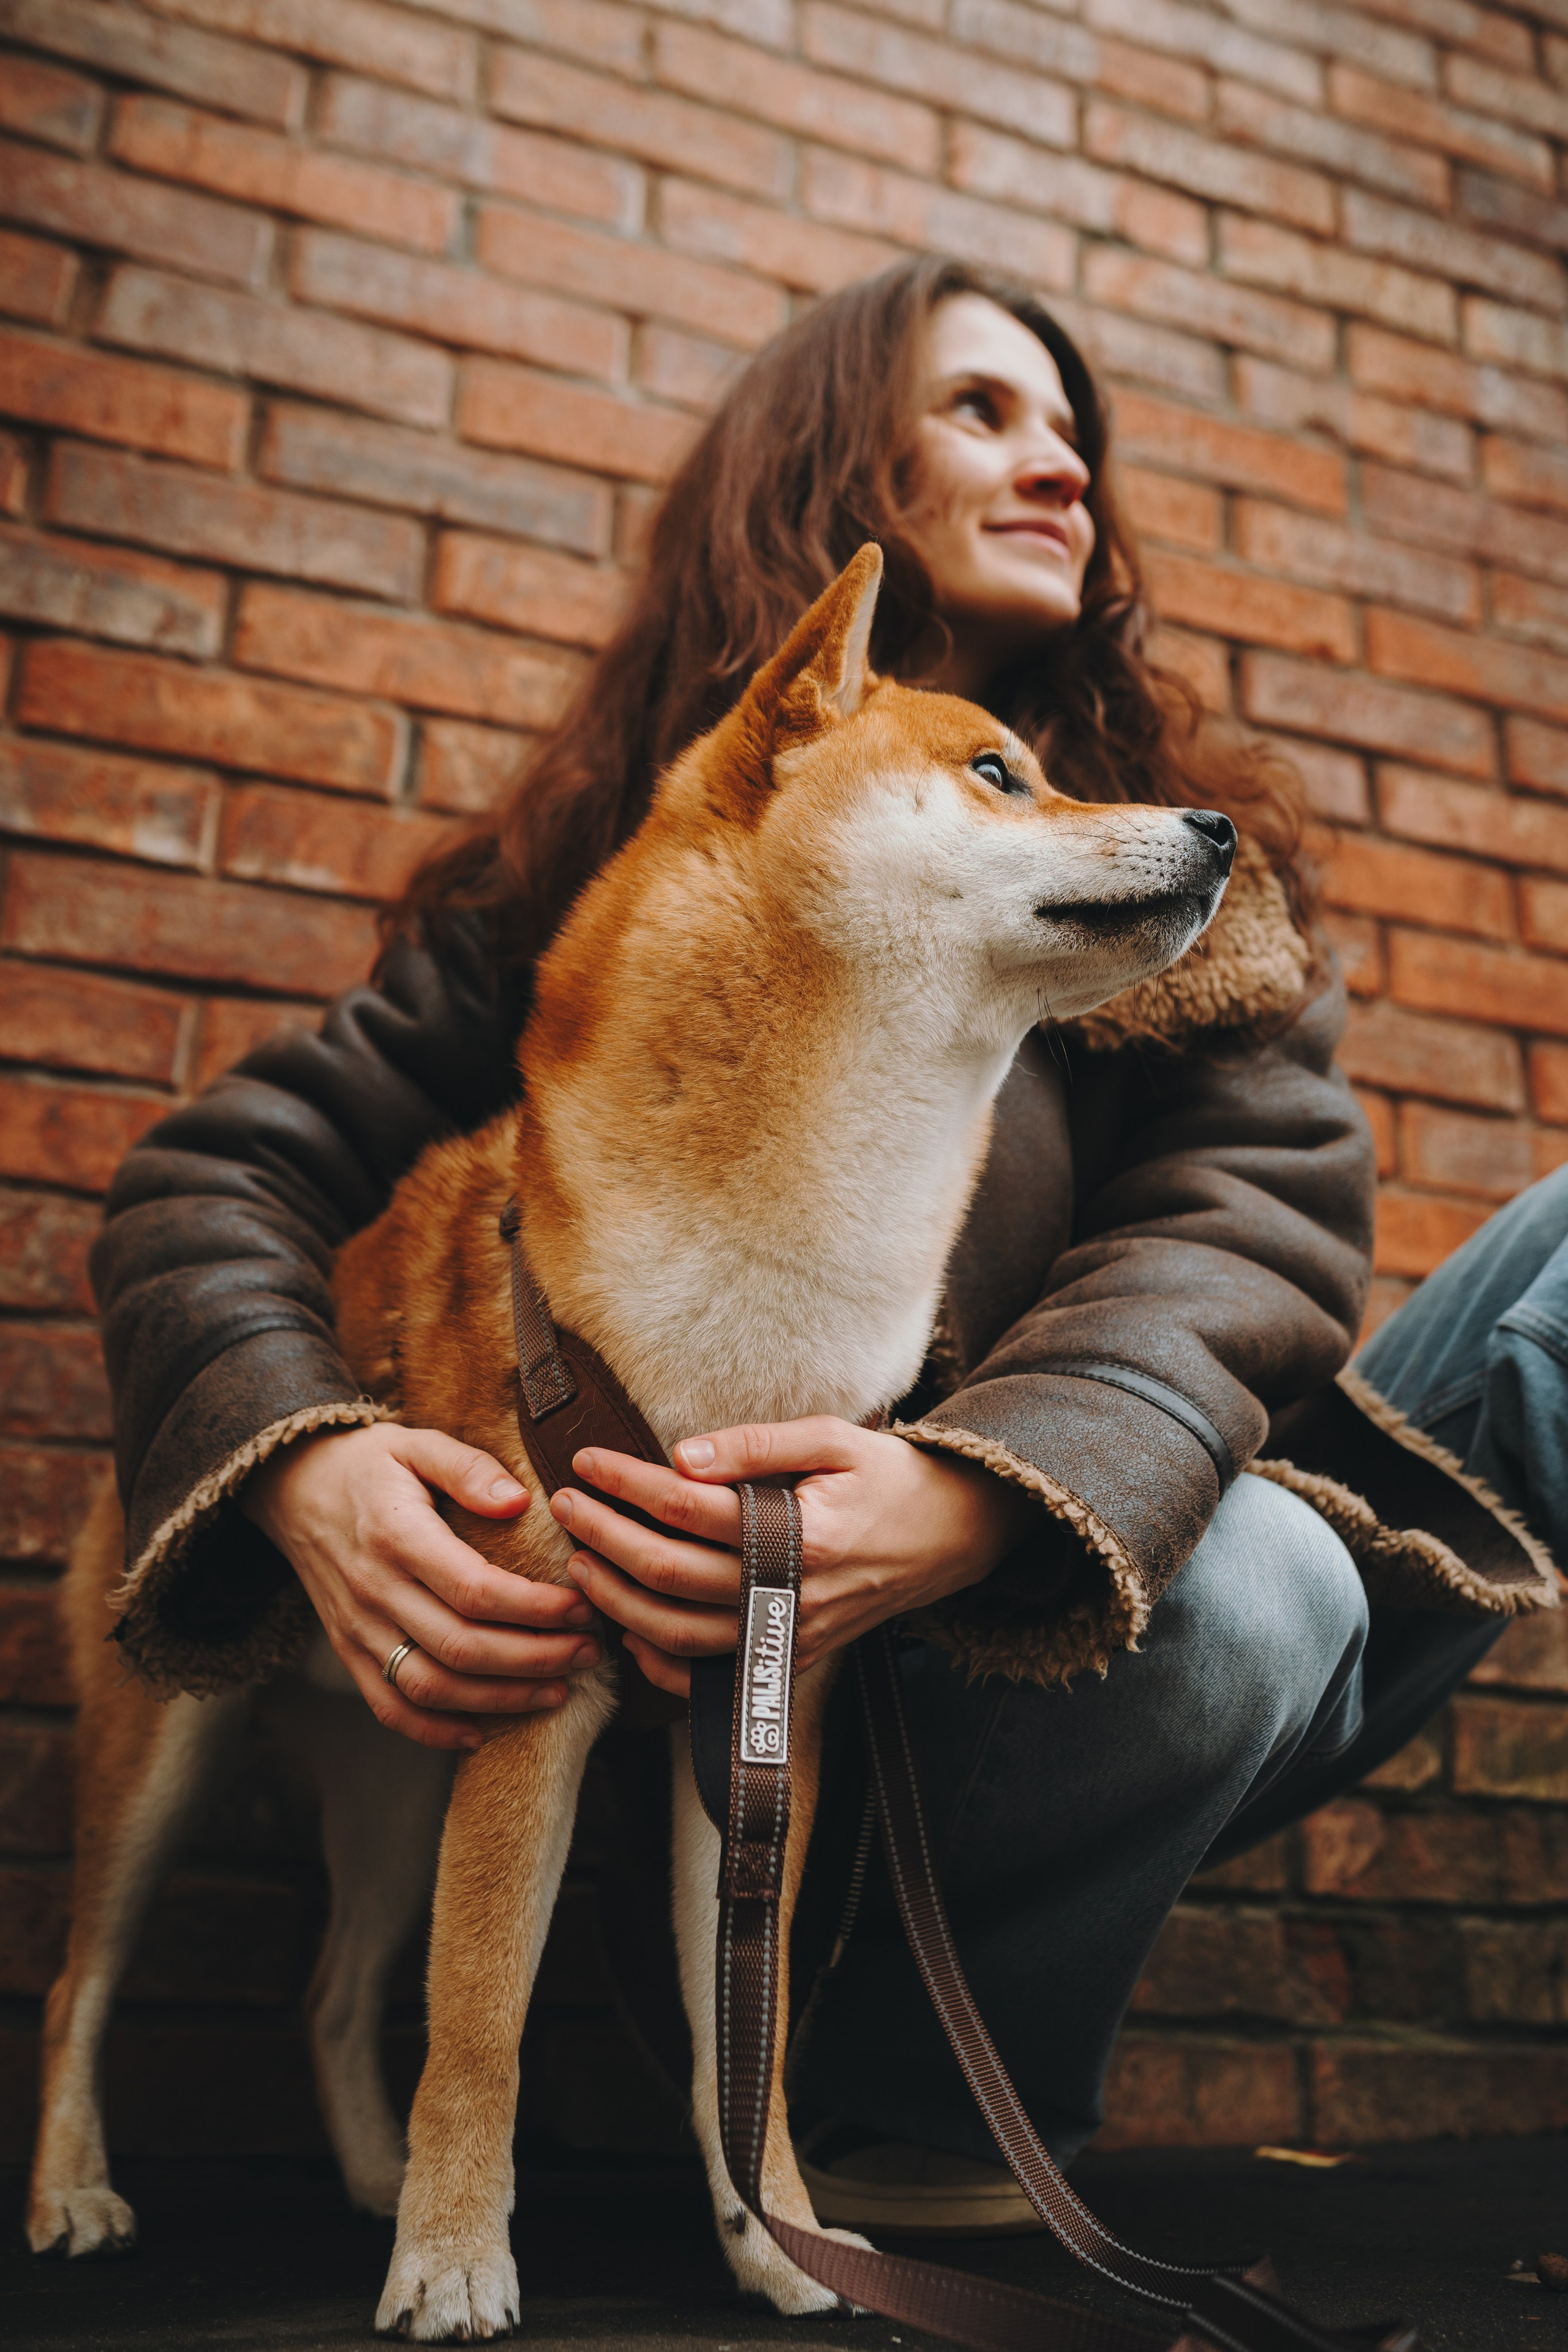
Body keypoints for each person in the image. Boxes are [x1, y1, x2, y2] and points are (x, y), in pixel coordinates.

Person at [95, 258, 1557, 2231]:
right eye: (984, 412)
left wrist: (979, 1499)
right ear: (833, 463)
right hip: (751, 1739)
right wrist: (302, 1461)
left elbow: (1250, 1245)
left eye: (1076, 435)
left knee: (1288, 1561)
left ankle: (949, 2097)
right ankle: (855, 2103)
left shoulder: (1191, 883)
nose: (1060, 464)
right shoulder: (616, 863)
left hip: (1084, 1648)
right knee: (1271, 1585)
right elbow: (220, 1183)